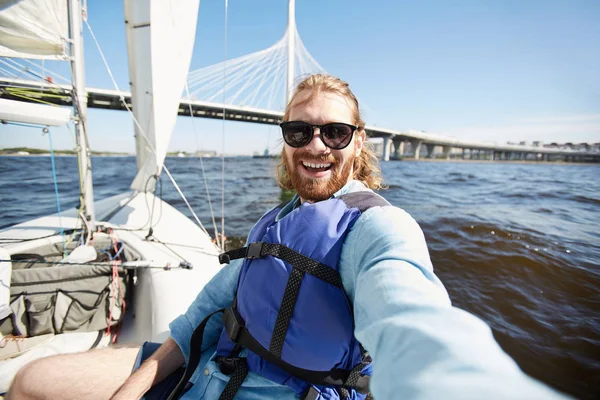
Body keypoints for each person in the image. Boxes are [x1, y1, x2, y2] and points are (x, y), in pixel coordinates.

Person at [6, 74, 567, 400]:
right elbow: (202, 311)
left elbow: (414, 325)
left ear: (359, 141)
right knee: (32, 381)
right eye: (300, 130)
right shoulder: (273, 223)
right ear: (285, 139)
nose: (316, 144)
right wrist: (137, 386)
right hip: (209, 369)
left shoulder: (377, 228)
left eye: (335, 131)